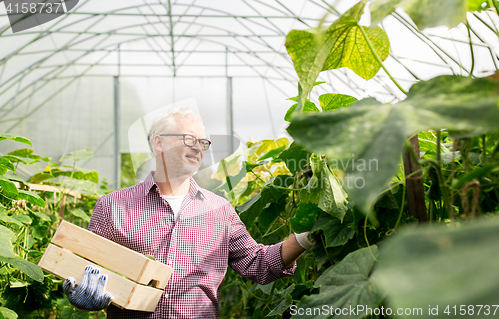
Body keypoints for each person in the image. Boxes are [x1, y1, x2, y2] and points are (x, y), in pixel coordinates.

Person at [63, 107, 316, 318]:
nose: (198, 147)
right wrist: (78, 292)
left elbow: (258, 263)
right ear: (158, 142)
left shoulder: (220, 210)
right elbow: (84, 268)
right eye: (188, 139)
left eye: (203, 142)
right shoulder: (112, 206)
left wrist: (307, 235)